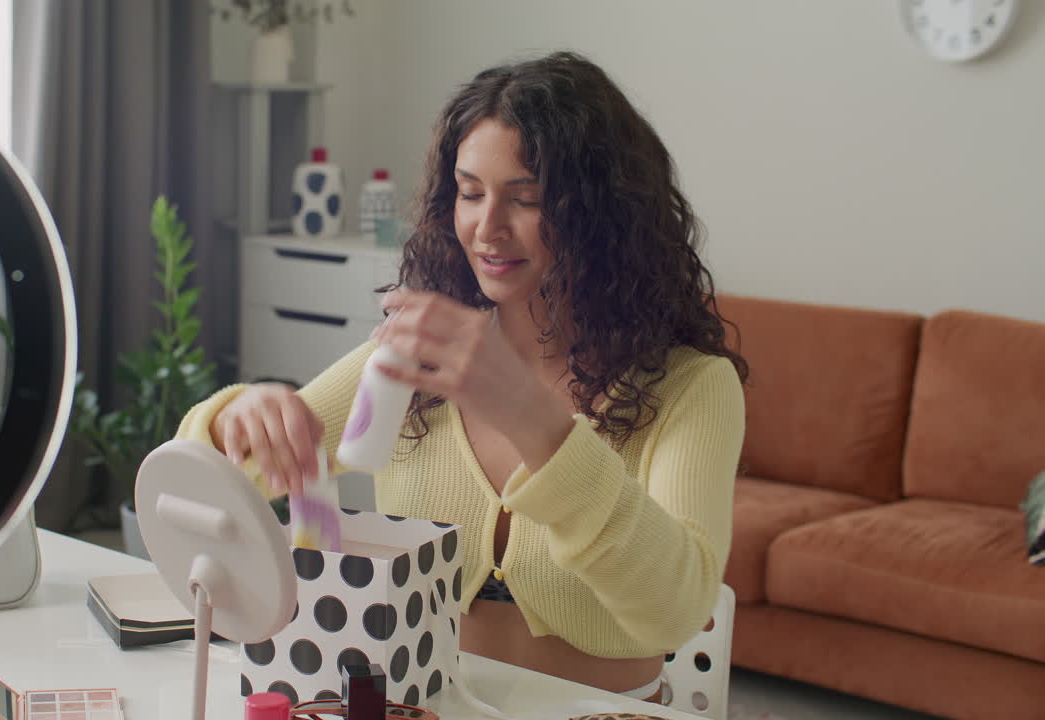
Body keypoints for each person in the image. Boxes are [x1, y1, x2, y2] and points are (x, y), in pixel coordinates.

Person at [176, 50, 747, 704]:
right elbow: (205, 487)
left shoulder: (692, 386)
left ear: (604, 213)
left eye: (526, 199)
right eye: (470, 193)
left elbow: (674, 612)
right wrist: (234, 420)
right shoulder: (416, 357)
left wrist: (535, 421)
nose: (486, 227)